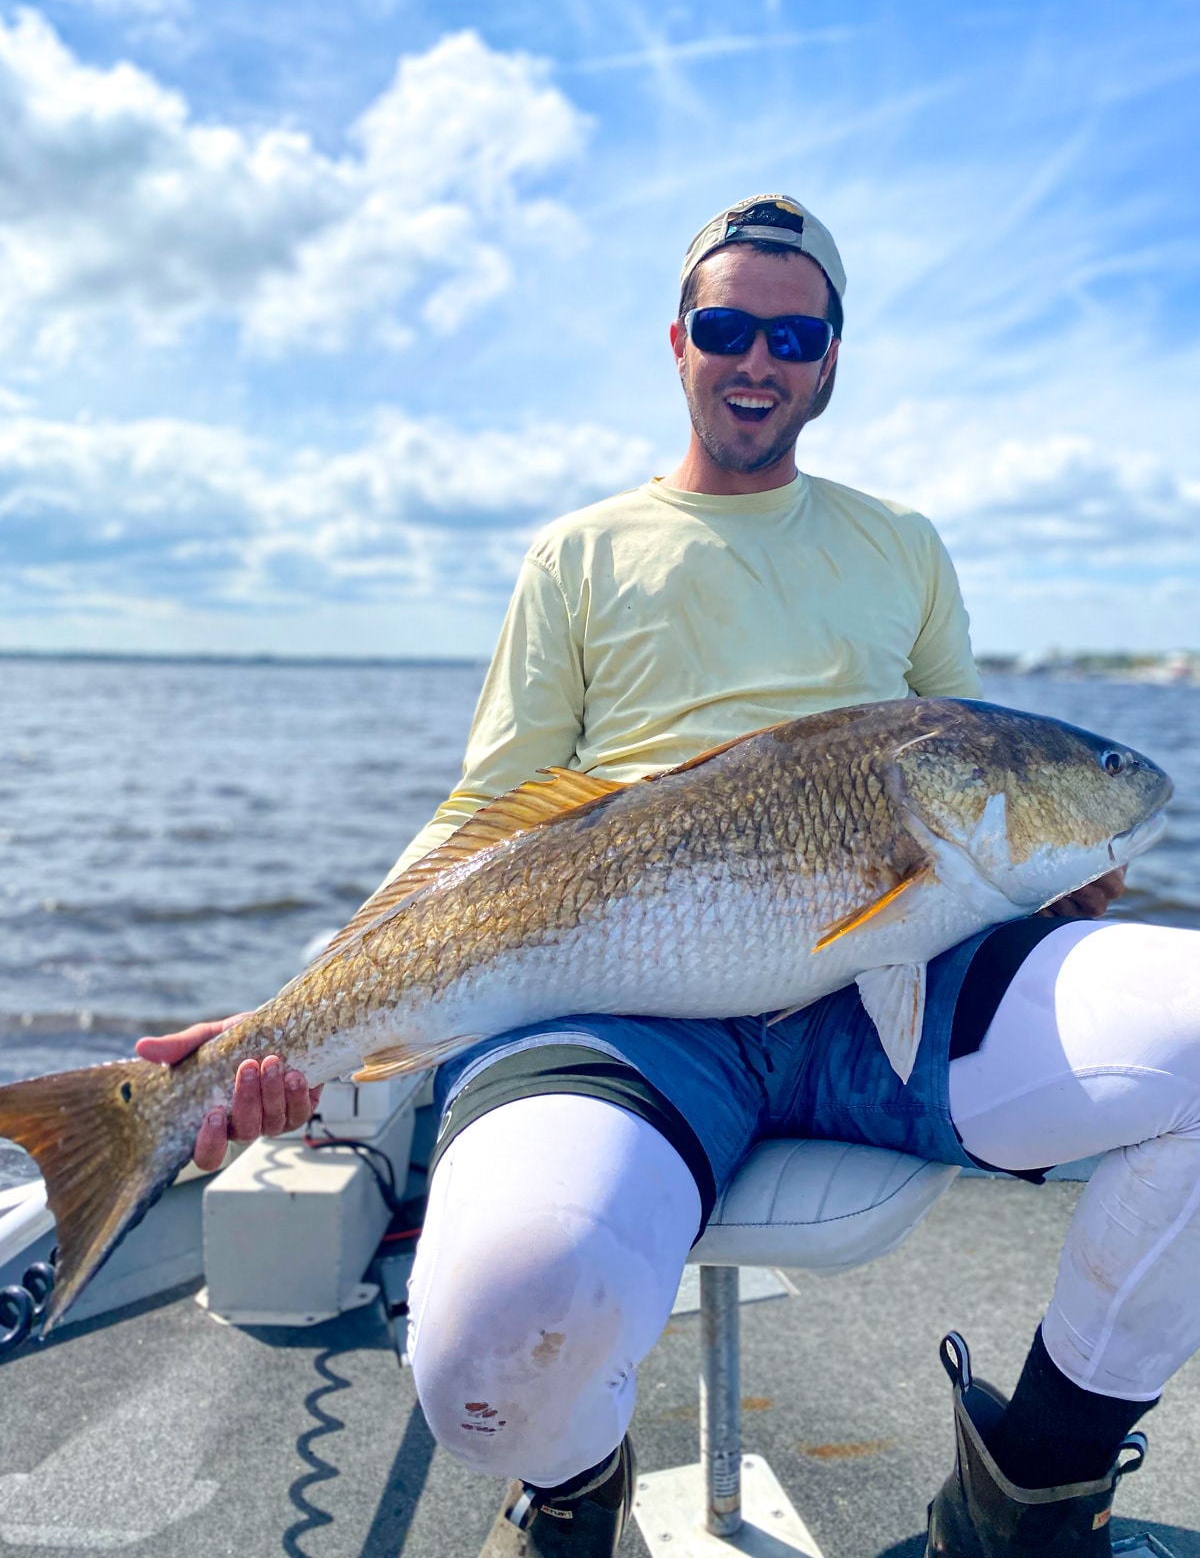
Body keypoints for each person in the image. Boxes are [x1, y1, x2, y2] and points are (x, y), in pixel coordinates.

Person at [142, 195, 1200, 1557]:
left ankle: (1028, 1496)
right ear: (679, 343)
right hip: (622, 989)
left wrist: (1050, 868)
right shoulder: (579, 554)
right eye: (727, 327)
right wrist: (270, 1028)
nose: (758, 357)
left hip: (901, 960)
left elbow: (970, 750)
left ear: (830, 357)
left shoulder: (903, 545)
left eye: (794, 333)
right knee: (482, 1342)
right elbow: (485, 809)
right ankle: (572, 1492)